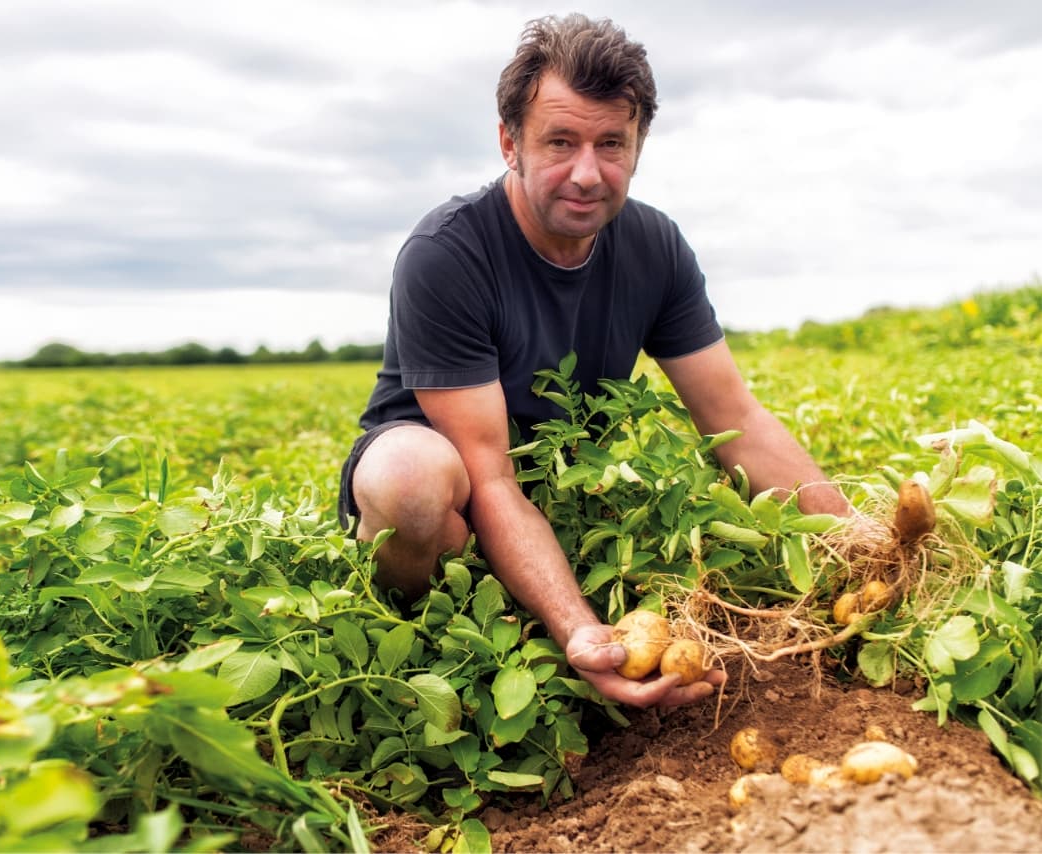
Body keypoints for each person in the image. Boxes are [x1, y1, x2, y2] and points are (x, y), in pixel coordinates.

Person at [337, 14, 862, 710]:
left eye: (610, 144)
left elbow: (734, 418)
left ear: (637, 146)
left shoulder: (654, 247)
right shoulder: (447, 252)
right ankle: (423, 629)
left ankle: (517, 609)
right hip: (458, 479)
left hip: (560, 485)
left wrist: (860, 542)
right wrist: (582, 632)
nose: (587, 173)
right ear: (509, 143)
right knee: (412, 483)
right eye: (560, 142)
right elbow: (490, 476)